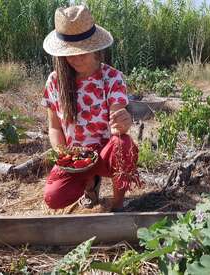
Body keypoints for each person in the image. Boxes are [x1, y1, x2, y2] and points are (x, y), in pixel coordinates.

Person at [41, 5, 141, 211]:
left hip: (104, 155)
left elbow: (117, 118)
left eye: (82, 51)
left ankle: (117, 203)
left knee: (124, 144)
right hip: (75, 157)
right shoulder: (55, 81)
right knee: (54, 198)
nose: (76, 59)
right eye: (70, 53)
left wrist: (123, 122)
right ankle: (89, 183)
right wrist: (64, 154)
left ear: (95, 47)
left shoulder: (112, 77)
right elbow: (54, 127)